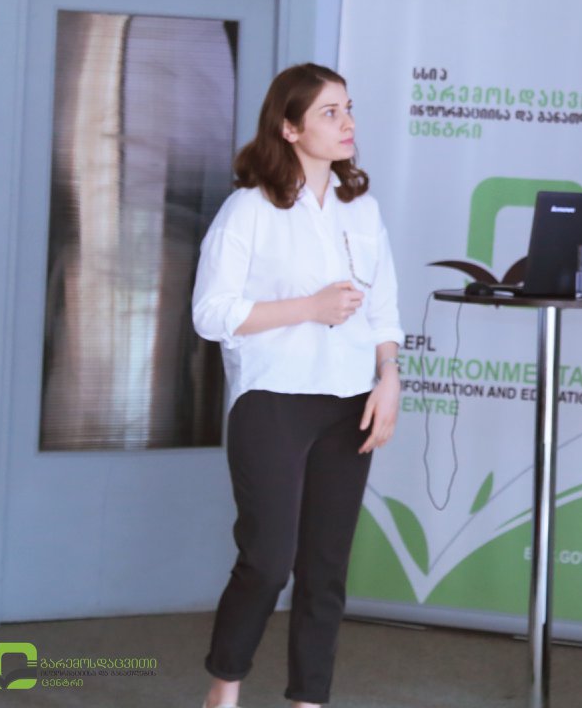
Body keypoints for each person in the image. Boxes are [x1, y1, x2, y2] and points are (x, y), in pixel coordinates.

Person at [193, 63, 403, 708]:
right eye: (329, 113)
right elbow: (210, 314)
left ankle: (308, 699)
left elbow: (383, 309)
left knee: (325, 569)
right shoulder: (248, 210)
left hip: (350, 403)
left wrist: (389, 377)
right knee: (267, 561)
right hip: (273, 401)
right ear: (289, 129)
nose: (348, 123)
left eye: (349, 108)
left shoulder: (361, 208)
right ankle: (224, 685)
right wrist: (307, 308)